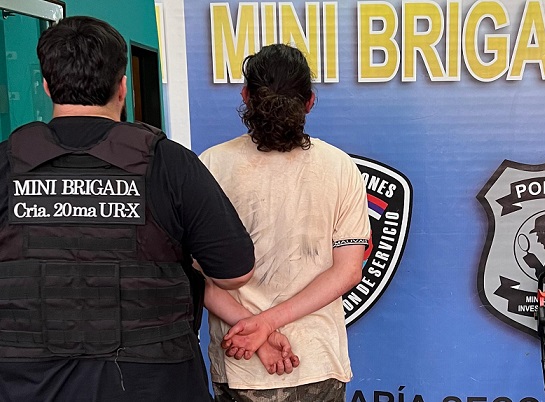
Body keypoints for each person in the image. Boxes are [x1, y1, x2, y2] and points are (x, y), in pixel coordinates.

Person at [0, 16, 275, 401]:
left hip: (28, 384)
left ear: (47, 86)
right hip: (152, 383)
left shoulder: (7, 163)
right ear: (123, 86)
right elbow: (236, 271)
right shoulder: (169, 163)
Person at [199, 43, 370, 402]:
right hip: (314, 360)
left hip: (240, 357)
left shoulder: (210, 166)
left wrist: (256, 327)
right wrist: (266, 325)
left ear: (246, 97)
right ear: (310, 102)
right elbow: (348, 271)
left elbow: (197, 276)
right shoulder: (340, 168)